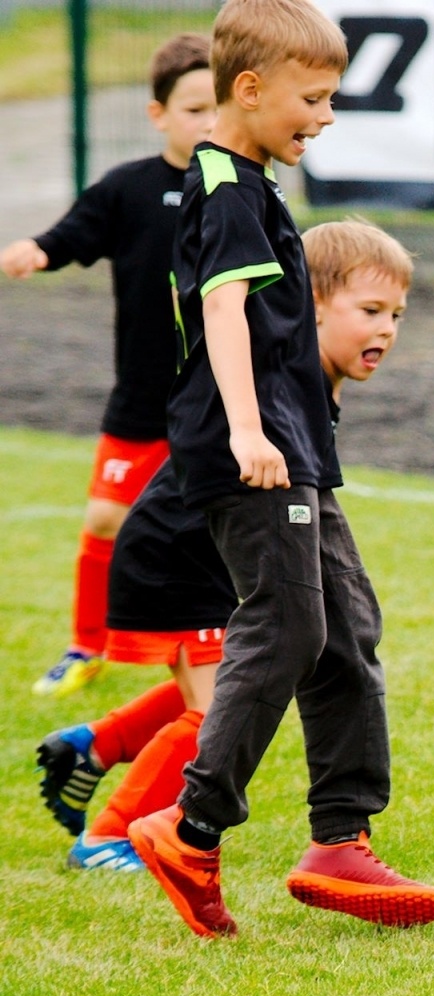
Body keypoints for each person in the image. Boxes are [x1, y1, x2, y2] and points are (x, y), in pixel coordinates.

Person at [124, 0, 434, 939]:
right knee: (290, 623)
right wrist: (247, 429)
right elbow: (225, 315)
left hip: (294, 447)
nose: (328, 115)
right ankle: (191, 829)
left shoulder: (255, 184)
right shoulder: (225, 189)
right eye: (314, 97)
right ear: (250, 89)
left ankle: (340, 840)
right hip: (252, 450)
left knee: (346, 628)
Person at [38, 219, 412, 876]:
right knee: (218, 704)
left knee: (257, 671)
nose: (386, 329)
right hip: (178, 558)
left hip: (211, 556)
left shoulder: (315, 388)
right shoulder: (276, 380)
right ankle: (109, 836)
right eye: (371, 311)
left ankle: (93, 745)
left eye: (397, 315)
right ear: (310, 305)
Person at [1, 33, 215, 698]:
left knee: (213, 533)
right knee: (103, 518)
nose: (208, 123)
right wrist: (38, 249)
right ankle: (85, 646)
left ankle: (216, 654)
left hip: (213, 399)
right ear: (157, 115)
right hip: (143, 398)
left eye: (218, 110)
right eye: (193, 109)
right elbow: (74, 233)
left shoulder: (239, 191)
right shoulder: (127, 188)